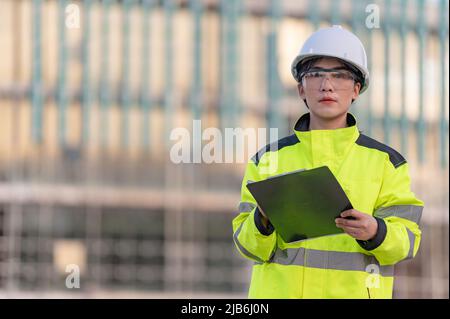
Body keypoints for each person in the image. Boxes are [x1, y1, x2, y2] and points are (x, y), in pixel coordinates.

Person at [232, 25, 424, 299]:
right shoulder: (267, 160)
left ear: (356, 89)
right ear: (301, 89)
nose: (327, 85)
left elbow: (408, 243)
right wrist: (262, 219)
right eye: (316, 75)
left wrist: (376, 231)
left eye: (340, 76)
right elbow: (247, 246)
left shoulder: (387, 163)